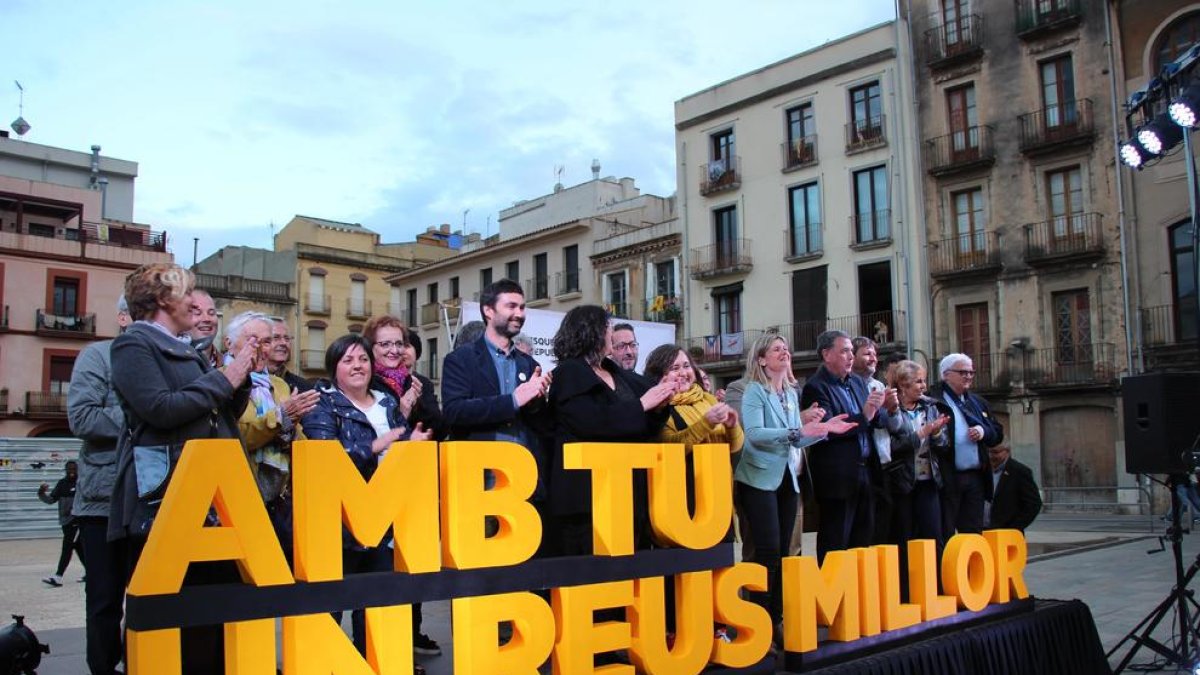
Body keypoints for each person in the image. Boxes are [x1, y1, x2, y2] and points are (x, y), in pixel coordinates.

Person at [109, 262, 255, 675]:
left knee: (210, 611)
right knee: (172, 617)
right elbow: (160, 409)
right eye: (187, 292)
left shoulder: (184, 347)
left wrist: (239, 377)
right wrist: (226, 377)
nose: (196, 302)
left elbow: (220, 409)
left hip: (210, 499)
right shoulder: (133, 345)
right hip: (169, 499)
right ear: (161, 299)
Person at [301, 334, 432, 664]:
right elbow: (324, 459)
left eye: (362, 359)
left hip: (384, 519)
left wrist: (410, 445)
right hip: (340, 522)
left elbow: (398, 449)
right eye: (348, 360)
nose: (357, 366)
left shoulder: (388, 404)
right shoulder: (322, 403)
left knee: (377, 604)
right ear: (334, 369)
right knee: (331, 605)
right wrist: (373, 447)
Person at [734, 332, 855, 635]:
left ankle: (776, 619)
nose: (784, 353)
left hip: (789, 479)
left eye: (786, 348)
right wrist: (795, 432)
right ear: (762, 359)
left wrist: (825, 429)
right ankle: (759, 621)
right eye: (776, 349)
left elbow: (798, 437)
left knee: (786, 552)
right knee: (768, 552)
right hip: (758, 480)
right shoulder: (754, 391)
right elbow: (755, 434)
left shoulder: (790, 393)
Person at [548, 305, 676, 556]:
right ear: (591, 332)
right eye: (608, 328)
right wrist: (642, 405)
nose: (612, 334)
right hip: (586, 498)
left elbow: (643, 423)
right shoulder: (569, 373)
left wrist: (659, 407)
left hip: (628, 491)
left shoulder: (617, 372)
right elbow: (589, 423)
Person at [362, 315, 443, 656]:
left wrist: (415, 405)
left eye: (399, 343)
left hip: (410, 489)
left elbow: (439, 424)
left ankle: (404, 646)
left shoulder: (417, 381)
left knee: (409, 571)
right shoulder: (363, 381)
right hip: (372, 491)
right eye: (386, 344)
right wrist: (403, 408)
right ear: (371, 348)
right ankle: (370, 650)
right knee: (376, 579)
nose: (394, 350)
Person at [66, 294, 130, 675]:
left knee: (149, 599)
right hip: (102, 503)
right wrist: (146, 410)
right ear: (123, 317)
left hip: (152, 503)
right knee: (105, 601)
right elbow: (83, 418)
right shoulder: (97, 356)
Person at [441, 279, 551, 499]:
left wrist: (537, 402)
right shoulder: (460, 360)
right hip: (480, 481)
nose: (519, 313)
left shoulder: (528, 364)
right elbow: (455, 411)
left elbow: (540, 426)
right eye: (511, 306)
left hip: (525, 482)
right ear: (488, 311)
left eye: (521, 307)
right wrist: (513, 400)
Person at [223, 312, 319, 556]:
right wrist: (280, 420)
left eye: (267, 341)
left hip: (279, 500)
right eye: (253, 341)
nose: (262, 349)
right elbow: (234, 439)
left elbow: (298, 439)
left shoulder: (280, 385)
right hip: (237, 499)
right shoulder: (219, 381)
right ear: (229, 344)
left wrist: (287, 430)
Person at [801, 330, 899, 562]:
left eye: (850, 352)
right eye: (844, 351)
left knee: (862, 540)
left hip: (866, 470)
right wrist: (866, 414)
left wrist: (885, 408)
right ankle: (832, 594)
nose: (850, 356)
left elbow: (874, 420)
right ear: (827, 354)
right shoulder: (815, 387)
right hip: (838, 477)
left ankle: (857, 594)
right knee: (836, 540)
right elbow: (829, 428)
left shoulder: (856, 381)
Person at [932, 353, 1004, 536]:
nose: (968, 376)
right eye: (963, 372)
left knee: (972, 531)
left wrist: (983, 432)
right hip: (947, 477)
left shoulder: (977, 402)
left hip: (975, 478)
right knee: (944, 531)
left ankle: (971, 564)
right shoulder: (933, 401)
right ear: (946, 374)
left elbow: (997, 434)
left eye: (971, 372)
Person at [884, 361, 951, 556]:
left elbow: (943, 444)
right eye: (918, 381)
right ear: (903, 385)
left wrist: (937, 433)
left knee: (933, 538)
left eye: (924, 381)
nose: (923, 386)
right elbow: (892, 448)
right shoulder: (891, 411)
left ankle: (934, 583)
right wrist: (923, 432)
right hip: (902, 483)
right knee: (904, 539)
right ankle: (906, 585)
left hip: (929, 481)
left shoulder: (931, 407)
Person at [851, 336, 893, 545]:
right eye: (867, 354)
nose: (873, 358)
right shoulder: (848, 384)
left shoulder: (879, 385)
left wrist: (889, 410)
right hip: (860, 464)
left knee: (882, 528)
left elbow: (885, 421)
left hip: (883, 463)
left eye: (875, 354)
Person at [38, 460, 83, 587]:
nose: (72, 472)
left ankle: (58, 577)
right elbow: (51, 500)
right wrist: (41, 493)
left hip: (76, 522)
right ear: (66, 470)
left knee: (67, 548)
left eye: (74, 469)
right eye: (69, 469)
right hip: (65, 522)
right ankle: (91, 573)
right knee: (79, 548)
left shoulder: (81, 484)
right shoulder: (62, 484)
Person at [986, 445, 1043, 532]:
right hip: (982, 533)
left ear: (1007, 451)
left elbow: (1033, 504)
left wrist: (1014, 528)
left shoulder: (1019, 471)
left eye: (995, 452)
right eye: (988, 452)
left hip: (1006, 534)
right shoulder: (982, 470)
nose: (990, 456)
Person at [268, 318, 313, 393]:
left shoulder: (303, 387)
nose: (283, 343)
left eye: (287, 338)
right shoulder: (247, 383)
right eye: (276, 337)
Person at [188, 288, 220, 367]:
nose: (206, 319)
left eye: (211, 313)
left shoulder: (229, 365)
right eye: (197, 313)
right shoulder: (171, 362)